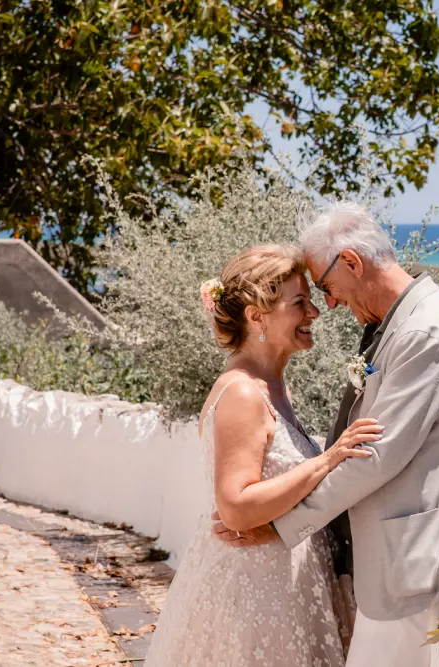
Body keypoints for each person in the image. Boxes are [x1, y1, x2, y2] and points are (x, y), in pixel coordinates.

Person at [214, 203, 439, 667]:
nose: (330, 305)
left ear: (351, 262)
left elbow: (376, 456)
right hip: (392, 555)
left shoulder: (425, 331)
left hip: (409, 560)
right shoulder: (407, 322)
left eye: (324, 287)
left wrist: (282, 525)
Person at [145, 244, 380, 667]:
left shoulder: (274, 388)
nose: (314, 313)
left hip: (285, 585)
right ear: (256, 317)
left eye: (311, 299)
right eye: (300, 303)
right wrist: (327, 460)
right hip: (253, 595)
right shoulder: (242, 393)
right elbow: (235, 508)